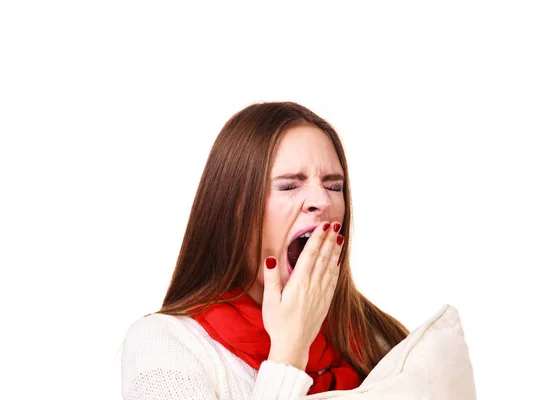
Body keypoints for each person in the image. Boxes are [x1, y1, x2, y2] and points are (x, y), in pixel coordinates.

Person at [120, 101, 410, 399]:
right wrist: (290, 349)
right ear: (234, 210)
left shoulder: (382, 340)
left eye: (334, 187)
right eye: (288, 186)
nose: (322, 201)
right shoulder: (165, 344)